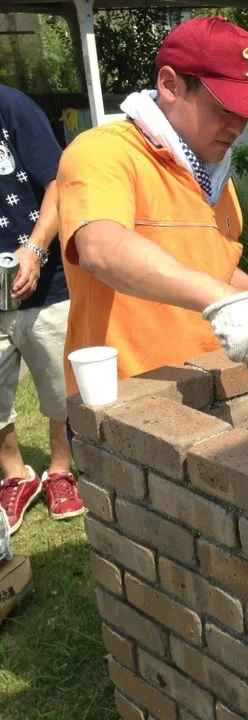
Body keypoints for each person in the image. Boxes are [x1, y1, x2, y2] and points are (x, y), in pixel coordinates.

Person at [56, 16, 248, 403]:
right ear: (170, 84)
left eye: (245, 112)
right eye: (224, 107)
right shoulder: (103, 152)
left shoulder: (213, 173)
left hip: (203, 383)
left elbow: (207, 264)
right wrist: (219, 299)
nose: (237, 126)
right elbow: (101, 248)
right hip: (127, 399)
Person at [0, 85, 82, 535]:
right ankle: (16, 476)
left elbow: (58, 182)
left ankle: (60, 468)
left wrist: (34, 248)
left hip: (44, 281)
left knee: (58, 384)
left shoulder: (11, 107)